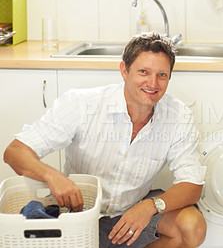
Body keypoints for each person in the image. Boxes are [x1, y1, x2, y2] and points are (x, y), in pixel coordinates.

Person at [3, 32, 207, 248]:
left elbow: (192, 184)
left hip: (132, 211)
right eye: (143, 72)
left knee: (192, 227)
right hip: (82, 216)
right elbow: (15, 152)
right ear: (124, 71)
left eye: (162, 75)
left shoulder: (178, 116)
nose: (152, 83)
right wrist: (53, 177)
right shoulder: (83, 105)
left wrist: (149, 207)